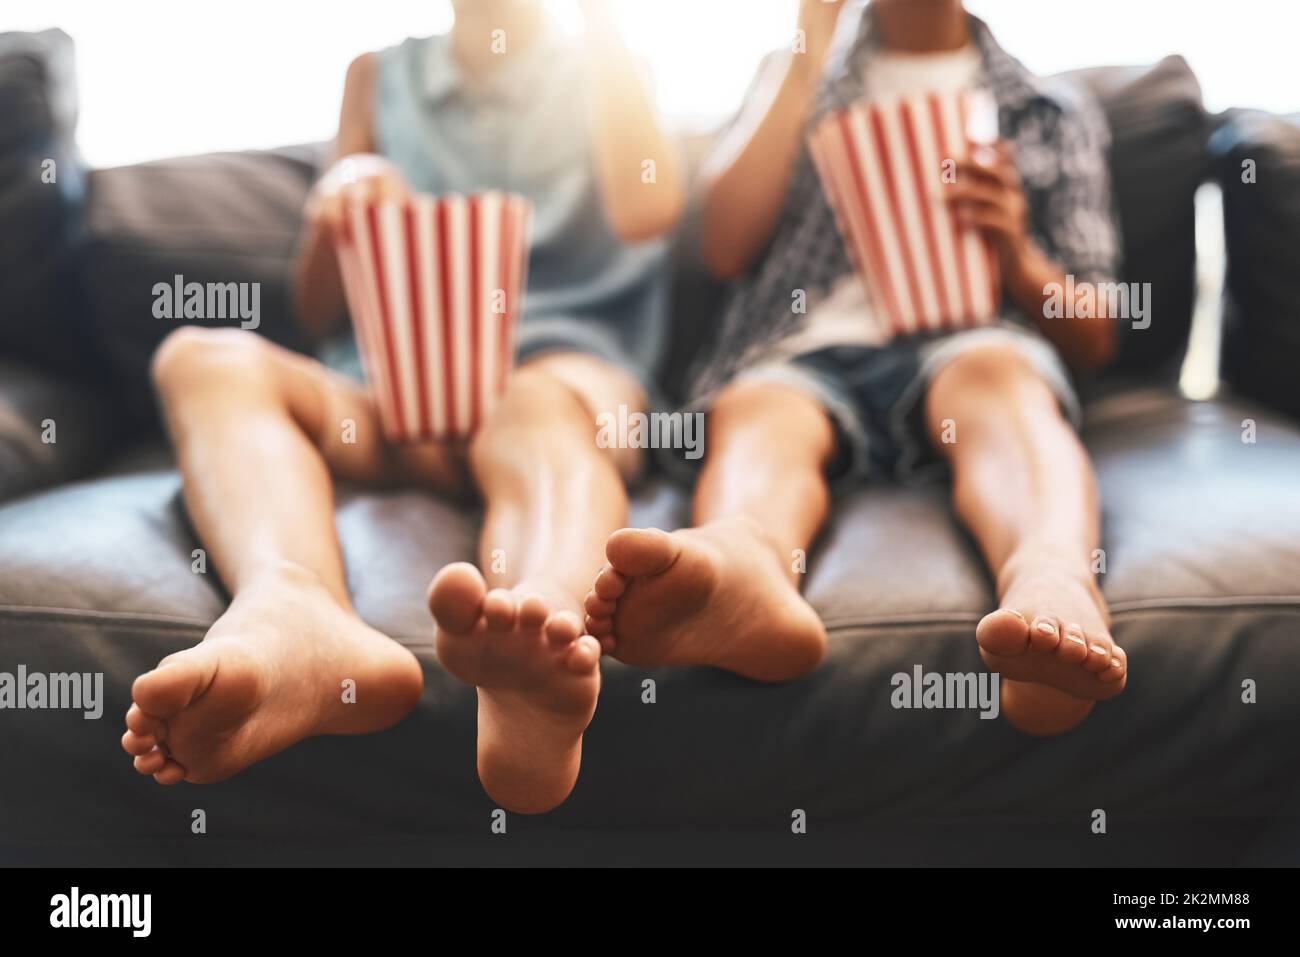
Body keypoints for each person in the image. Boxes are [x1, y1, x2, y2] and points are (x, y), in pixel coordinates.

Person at [120, 0, 684, 814]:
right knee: (201, 356)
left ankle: (548, 620)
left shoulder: (607, 57)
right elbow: (315, 310)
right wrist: (338, 207)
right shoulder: (377, 76)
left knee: (537, 410)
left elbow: (650, 210)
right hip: (391, 392)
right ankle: (294, 609)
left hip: (555, 377)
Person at [585, 0, 1128, 735]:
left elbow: (1095, 337)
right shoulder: (797, 77)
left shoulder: (1047, 112)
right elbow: (722, 247)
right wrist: (806, 53)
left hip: (970, 341)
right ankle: (749, 569)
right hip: (801, 347)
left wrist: (1016, 251)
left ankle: (1053, 581)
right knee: (763, 414)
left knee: (1001, 389)